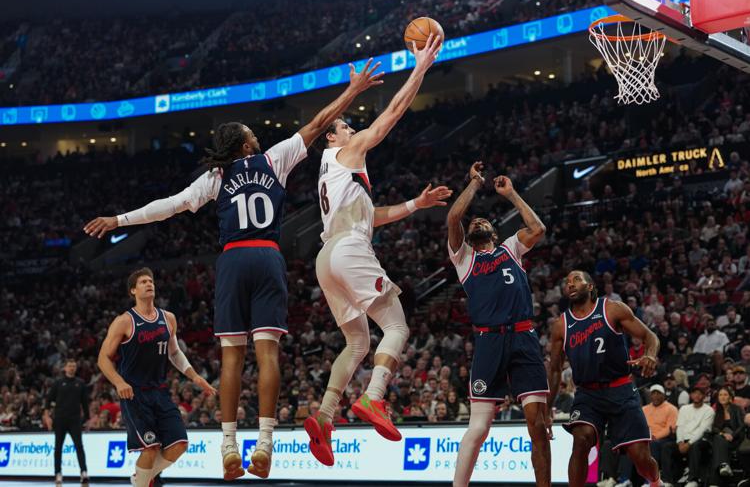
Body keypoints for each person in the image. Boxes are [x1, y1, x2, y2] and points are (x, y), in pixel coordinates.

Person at [83, 61, 384, 480]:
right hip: (267, 257)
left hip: (232, 260)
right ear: (245, 145)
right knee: (267, 354)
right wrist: (353, 90)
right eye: (252, 135)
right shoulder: (273, 159)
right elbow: (318, 124)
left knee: (231, 358)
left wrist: (119, 220)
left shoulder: (216, 176)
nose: (257, 137)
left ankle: (228, 446)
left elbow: (168, 206)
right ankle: (265, 444)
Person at [304, 34, 448, 466]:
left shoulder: (331, 173)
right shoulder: (346, 151)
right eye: (346, 127)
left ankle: (324, 416)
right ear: (332, 138)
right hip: (349, 249)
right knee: (397, 326)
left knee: (357, 342)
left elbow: (372, 216)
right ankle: (374, 396)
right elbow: (391, 116)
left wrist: (416, 204)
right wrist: (420, 69)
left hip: (327, 258)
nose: (353, 130)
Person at [446, 162, 550, 487]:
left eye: (483, 221)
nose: (476, 221)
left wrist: (512, 194)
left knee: (537, 425)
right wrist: (475, 183)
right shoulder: (464, 258)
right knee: (478, 428)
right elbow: (453, 217)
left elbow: (538, 229)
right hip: (489, 342)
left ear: (494, 233)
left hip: (523, 338)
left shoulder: (511, 248)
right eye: (473, 222)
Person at [97, 268, 216, 487]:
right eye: (143, 282)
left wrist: (194, 376)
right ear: (133, 290)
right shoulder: (124, 321)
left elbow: (174, 353)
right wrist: (119, 382)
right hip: (134, 394)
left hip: (160, 391)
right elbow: (103, 358)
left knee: (180, 444)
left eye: (150, 281)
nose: (148, 284)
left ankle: (140, 479)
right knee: (150, 449)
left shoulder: (168, 318)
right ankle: (142, 481)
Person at [547, 270, 661, 487]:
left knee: (640, 457)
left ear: (590, 286)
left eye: (576, 280)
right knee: (581, 439)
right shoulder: (561, 324)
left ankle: (656, 482)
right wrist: (546, 409)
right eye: (567, 282)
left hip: (621, 389)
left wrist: (650, 355)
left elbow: (650, 336)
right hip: (588, 394)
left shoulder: (612, 309)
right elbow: (554, 370)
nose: (570, 284)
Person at [661, 386, 714, 487]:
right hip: (683, 441)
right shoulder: (684, 409)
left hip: (701, 440)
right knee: (667, 447)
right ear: (691, 395)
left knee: (695, 446)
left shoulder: (709, 410)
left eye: (700, 393)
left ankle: (693, 480)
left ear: (704, 396)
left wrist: (689, 443)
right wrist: (680, 442)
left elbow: (702, 430)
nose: (697, 395)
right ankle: (667, 480)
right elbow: (680, 427)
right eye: (694, 393)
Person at [47, 358, 89, 486]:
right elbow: (48, 401)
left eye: (74, 366)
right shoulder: (58, 383)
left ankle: (84, 472)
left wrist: (86, 419)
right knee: (58, 448)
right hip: (60, 420)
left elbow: (85, 403)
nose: (72, 368)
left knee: (79, 446)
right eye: (70, 366)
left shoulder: (81, 383)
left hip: (75, 420)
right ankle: (58, 473)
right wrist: (47, 417)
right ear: (65, 368)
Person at [706, 385, 746, 485]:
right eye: (720, 395)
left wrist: (732, 435)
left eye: (725, 395)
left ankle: (714, 482)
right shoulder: (717, 411)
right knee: (717, 438)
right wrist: (723, 434)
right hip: (722, 439)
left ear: (730, 397)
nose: (722, 397)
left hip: (736, 439)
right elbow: (714, 428)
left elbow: (741, 425)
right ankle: (723, 466)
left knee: (717, 443)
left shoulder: (736, 409)